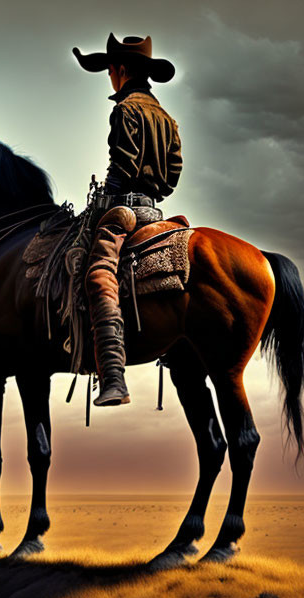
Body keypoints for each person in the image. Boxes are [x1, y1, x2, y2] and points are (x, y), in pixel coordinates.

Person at [72, 34, 183, 405]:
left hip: (124, 211)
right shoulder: (168, 120)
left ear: (120, 70)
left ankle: (113, 376)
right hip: (155, 210)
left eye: (109, 71)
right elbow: (171, 178)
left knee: (98, 275)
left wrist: (104, 199)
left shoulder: (124, 110)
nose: (109, 77)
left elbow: (120, 166)